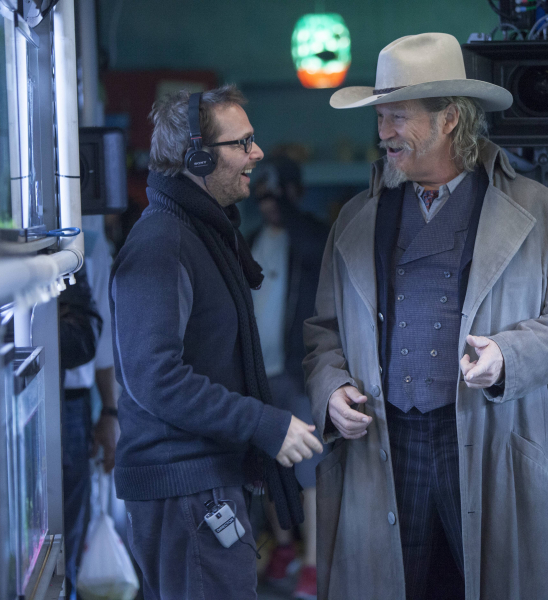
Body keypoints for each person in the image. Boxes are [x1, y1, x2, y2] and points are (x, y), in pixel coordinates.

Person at [303, 33, 548, 600]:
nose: (383, 133)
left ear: (449, 120)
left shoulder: (544, 212)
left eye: (397, 117)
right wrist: (332, 387)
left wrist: (508, 356)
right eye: (380, 118)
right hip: (385, 442)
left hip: (492, 440)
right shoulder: (355, 218)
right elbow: (323, 331)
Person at [110, 85, 323, 599]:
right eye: (242, 142)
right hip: (186, 490)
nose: (257, 153)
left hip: (202, 485)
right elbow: (155, 377)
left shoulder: (198, 232)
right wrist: (263, 423)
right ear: (198, 157)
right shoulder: (162, 243)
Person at [249, 157, 329, 599]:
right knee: (267, 467)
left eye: (277, 195)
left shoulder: (311, 236)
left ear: (296, 194)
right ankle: (283, 547)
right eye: (263, 196)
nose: (270, 205)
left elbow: (316, 245)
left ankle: (312, 563)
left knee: (309, 469)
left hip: (297, 372)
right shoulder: (251, 239)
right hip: (259, 374)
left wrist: (286, 205)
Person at [60, 217, 120, 600]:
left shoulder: (90, 245)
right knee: (63, 528)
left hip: (72, 404)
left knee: (65, 532)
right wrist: (109, 413)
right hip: (69, 406)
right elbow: (101, 346)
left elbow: (100, 344)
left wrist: (109, 413)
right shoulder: (89, 244)